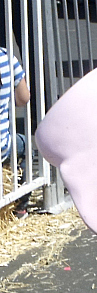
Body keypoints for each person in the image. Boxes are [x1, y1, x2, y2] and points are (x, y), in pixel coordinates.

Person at [1, 46, 31, 217]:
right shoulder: (6, 57)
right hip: (2, 145)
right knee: (26, 145)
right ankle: (20, 206)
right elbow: (23, 98)